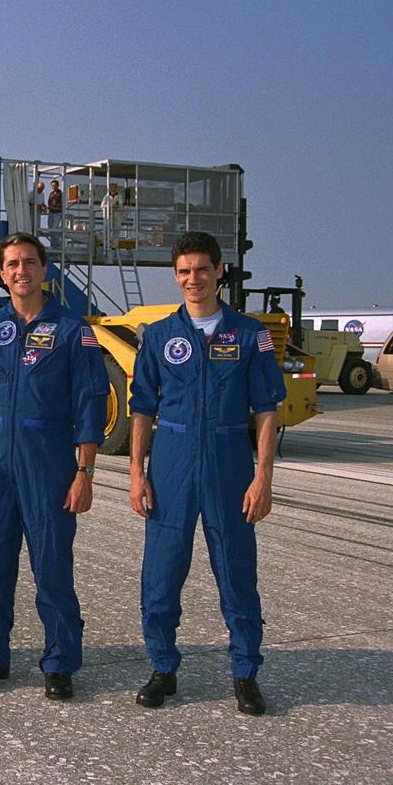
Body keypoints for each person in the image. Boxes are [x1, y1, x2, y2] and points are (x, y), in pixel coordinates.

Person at [127, 231, 287, 716]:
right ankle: (162, 668)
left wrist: (263, 478)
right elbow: (141, 409)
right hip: (172, 460)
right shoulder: (158, 336)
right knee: (161, 573)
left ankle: (244, 673)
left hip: (228, 463)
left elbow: (266, 409)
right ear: (176, 277)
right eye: (183, 272)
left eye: (200, 269)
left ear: (219, 270)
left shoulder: (248, 334)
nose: (192, 279)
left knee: (237, 573)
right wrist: (137, 471)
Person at [0, 232, 108, 699]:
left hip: (49, 465)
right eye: (12, 264)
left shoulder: (71, 329)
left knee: (52, 566)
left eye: (29, 263)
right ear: (2, 275)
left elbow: (90, 402)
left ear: (44, 270)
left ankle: (59, 661)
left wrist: (84, 473)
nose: (21, 271)